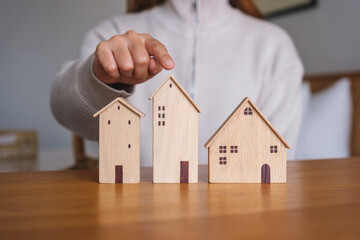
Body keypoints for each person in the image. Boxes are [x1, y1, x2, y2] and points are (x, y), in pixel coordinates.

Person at [51, 0, 304, 165]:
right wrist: (102, 80)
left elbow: (276, 159)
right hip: (131, 218)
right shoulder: (113, 33)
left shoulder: (274, 46)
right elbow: (68, 113)